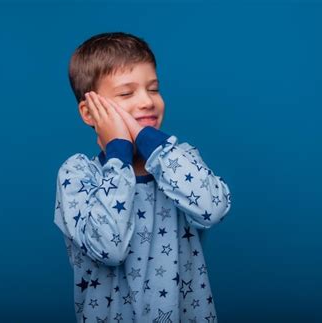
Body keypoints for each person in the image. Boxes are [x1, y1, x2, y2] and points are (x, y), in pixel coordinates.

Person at [54, 31, 232, 323]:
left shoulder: (178, 162)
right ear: (89, 112)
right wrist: (118, 153)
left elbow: (213, 208)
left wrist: (149, 142)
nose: (147, 101)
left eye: (153, 89)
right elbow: (108, 247)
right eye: (126, 93)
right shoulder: (77, 175)